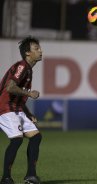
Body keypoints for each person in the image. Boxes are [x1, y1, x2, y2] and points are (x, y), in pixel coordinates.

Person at [0, 36, 42, 184]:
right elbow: (10, 87)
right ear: (28, 53)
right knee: (17, 140)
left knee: (36, 137)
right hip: (5, 107)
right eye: (36, 49)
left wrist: (28, 113)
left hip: (17, 108)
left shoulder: (28, 70)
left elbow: (17, 93)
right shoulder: (22, 66)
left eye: (39, 48)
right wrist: (30, 93)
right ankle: (6, 178)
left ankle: (31, 176)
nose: (40, 51)